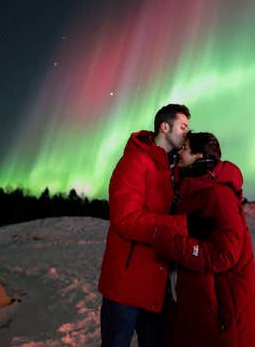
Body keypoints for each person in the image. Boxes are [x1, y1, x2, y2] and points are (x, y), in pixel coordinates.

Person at [151, 132, 255, 347]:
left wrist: (173, 245)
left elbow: (224, 254)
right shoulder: (191, 192)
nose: (179, 152)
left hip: (218, 318)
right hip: (197, 311)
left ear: (199, 155)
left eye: (184, 148)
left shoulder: (219, 194)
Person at [98, 104, 192, 347]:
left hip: (158, 287)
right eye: (183, 127)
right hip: (127, 287)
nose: (186, 133)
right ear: (164, 127)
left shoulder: (172, 169)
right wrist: (179, 224)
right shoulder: (136, 161)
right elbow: (126, 220)